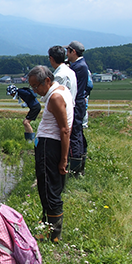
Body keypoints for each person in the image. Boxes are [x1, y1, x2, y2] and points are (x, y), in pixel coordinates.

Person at [27, 66, 73, 242]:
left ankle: (53, 234)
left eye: (36, 86)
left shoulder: (55, 97)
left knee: (48, 189)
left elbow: (64, 130)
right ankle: (47, 225)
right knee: (49, 187)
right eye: (31, 86)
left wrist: (63, 159)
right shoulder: (60, 90)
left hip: (49, 147)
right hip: (49, 146)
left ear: (47, 80)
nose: (35, 90)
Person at [64, 41, 89, 176]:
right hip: (79, 103)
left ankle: (75, 169)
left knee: (74, 135)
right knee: (77, 133)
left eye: (68, 51)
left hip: (76, 104)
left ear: (73, 52)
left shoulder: (78, 67)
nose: (66, 54)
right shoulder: (80, 65)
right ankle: (78, 165)